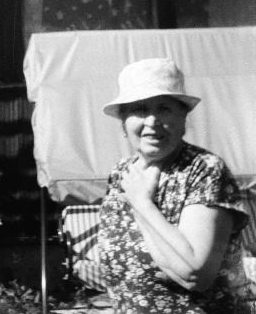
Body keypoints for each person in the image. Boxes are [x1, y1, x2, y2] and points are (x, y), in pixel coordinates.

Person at [98, 57, 251, 313]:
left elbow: (195, 274)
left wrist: (142, 204)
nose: (152, 122)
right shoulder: (121, 173)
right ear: (123, 121)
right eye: (139, 109)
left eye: (164, 108)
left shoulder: (203, 169)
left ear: (183, 116)